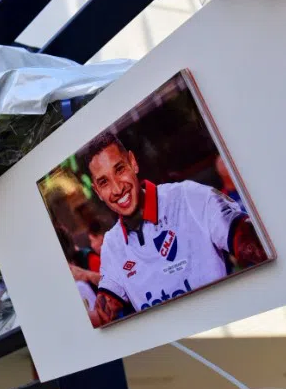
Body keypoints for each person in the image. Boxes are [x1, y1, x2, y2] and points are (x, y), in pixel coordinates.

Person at [81, 132, 267, 327]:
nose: (117, 189)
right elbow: (102, 315)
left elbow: (254, 243)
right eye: (104, 182)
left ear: (133, 162)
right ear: (97, 192)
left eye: (119, 170)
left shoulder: (189, 197)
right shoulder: (112, 244)